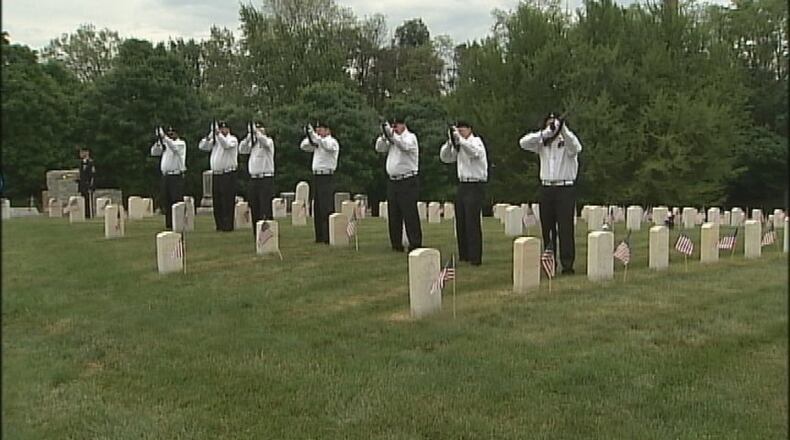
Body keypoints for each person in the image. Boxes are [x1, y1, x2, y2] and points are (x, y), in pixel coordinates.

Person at [518, 113, 583, 274]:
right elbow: (523, 143)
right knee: (547, 227)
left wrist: (563, 129)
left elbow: (576, 147)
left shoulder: (566, 141)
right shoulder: (542, 142)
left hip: (564, 189)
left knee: (565, 228)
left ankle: (567, 264)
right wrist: (546, 132)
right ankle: (550, 262)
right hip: (546, 188)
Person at [440, 121, 488, 266]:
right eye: (458, 130)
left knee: (472, 221)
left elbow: (474, 153)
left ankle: (475, 257)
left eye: (462, 130)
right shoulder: (460, 145)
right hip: (463, 184)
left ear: (469, 129)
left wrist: (460, 140)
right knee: (460, 220)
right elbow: (445, 157)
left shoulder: (476, 142)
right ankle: (464, 254)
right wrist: (450, 142)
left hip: (475, 184)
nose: (460, 132)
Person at [375, 117, 422, 252]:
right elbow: (379, 148)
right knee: (393, 214)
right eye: (393, 126)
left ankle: (415, 243)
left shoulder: (410, 138)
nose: (395, 128)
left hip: (407, 180)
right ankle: (396, 244)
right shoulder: (392, 139)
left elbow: (404, 146)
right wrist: (385, 136)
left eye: (397, 126)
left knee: (409, 213)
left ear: (403, 125)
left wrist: (392, 135)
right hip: (393, 180)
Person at [300, 121, 339, 244]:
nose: (319, 131)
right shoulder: (317, 142)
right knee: (317, 207)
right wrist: (310, 135)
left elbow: (327, 145)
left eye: (321, 129)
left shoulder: (332, 142)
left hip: (327, 176)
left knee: (326, 207)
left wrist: (316, 137)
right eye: (317, 129)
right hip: (317, 177)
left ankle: (328, 235)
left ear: (328, 130)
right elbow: (304, 146)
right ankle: (319, 236)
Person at [199, 120, 238, 232]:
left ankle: (228, 225)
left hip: (228, 173)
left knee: (227, 200)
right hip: (216, 174)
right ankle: (219, 224)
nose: (222, 130)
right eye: (220, 128)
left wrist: (218, 134)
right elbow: (203, 146)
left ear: (228, 129)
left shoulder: (232, 139)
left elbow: (226, 145)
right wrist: (211, 135)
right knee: (217, 201)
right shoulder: (215, 141)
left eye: (224, 129)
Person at [239, 121, 275, 238]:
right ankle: (257, 233)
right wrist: (249, 136)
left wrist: (257, 133)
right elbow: (242, 149)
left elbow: (265, 142)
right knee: (255, 206)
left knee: (265, 207)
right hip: (254, 179)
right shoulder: (253, 144)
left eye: (260, 129)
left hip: (265, 178)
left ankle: (268, 232)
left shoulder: (268, 142)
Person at [150, 126, 186, 229]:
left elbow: (173, 147)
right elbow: (154, 152)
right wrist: (159, 141)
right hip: (166, 176)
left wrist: (164, 137)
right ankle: (169, 223)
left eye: (172, 133)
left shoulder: (180, 144)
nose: (171, 135)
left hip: (176, 175)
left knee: (176, 200)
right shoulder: (166, 144)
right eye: (169, 133)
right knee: (167, 200)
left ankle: (179, 222)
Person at [77, 147, 95, 218]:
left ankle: (89, 215)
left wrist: (91, 185)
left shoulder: (91, 162)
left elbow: (93, 175)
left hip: (88, 184)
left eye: (82, 152)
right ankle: (84, 214)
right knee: (83, 200)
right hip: (82, 185)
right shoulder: (81, 163)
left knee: (88, 200)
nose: (80, 154)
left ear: (86, 153)